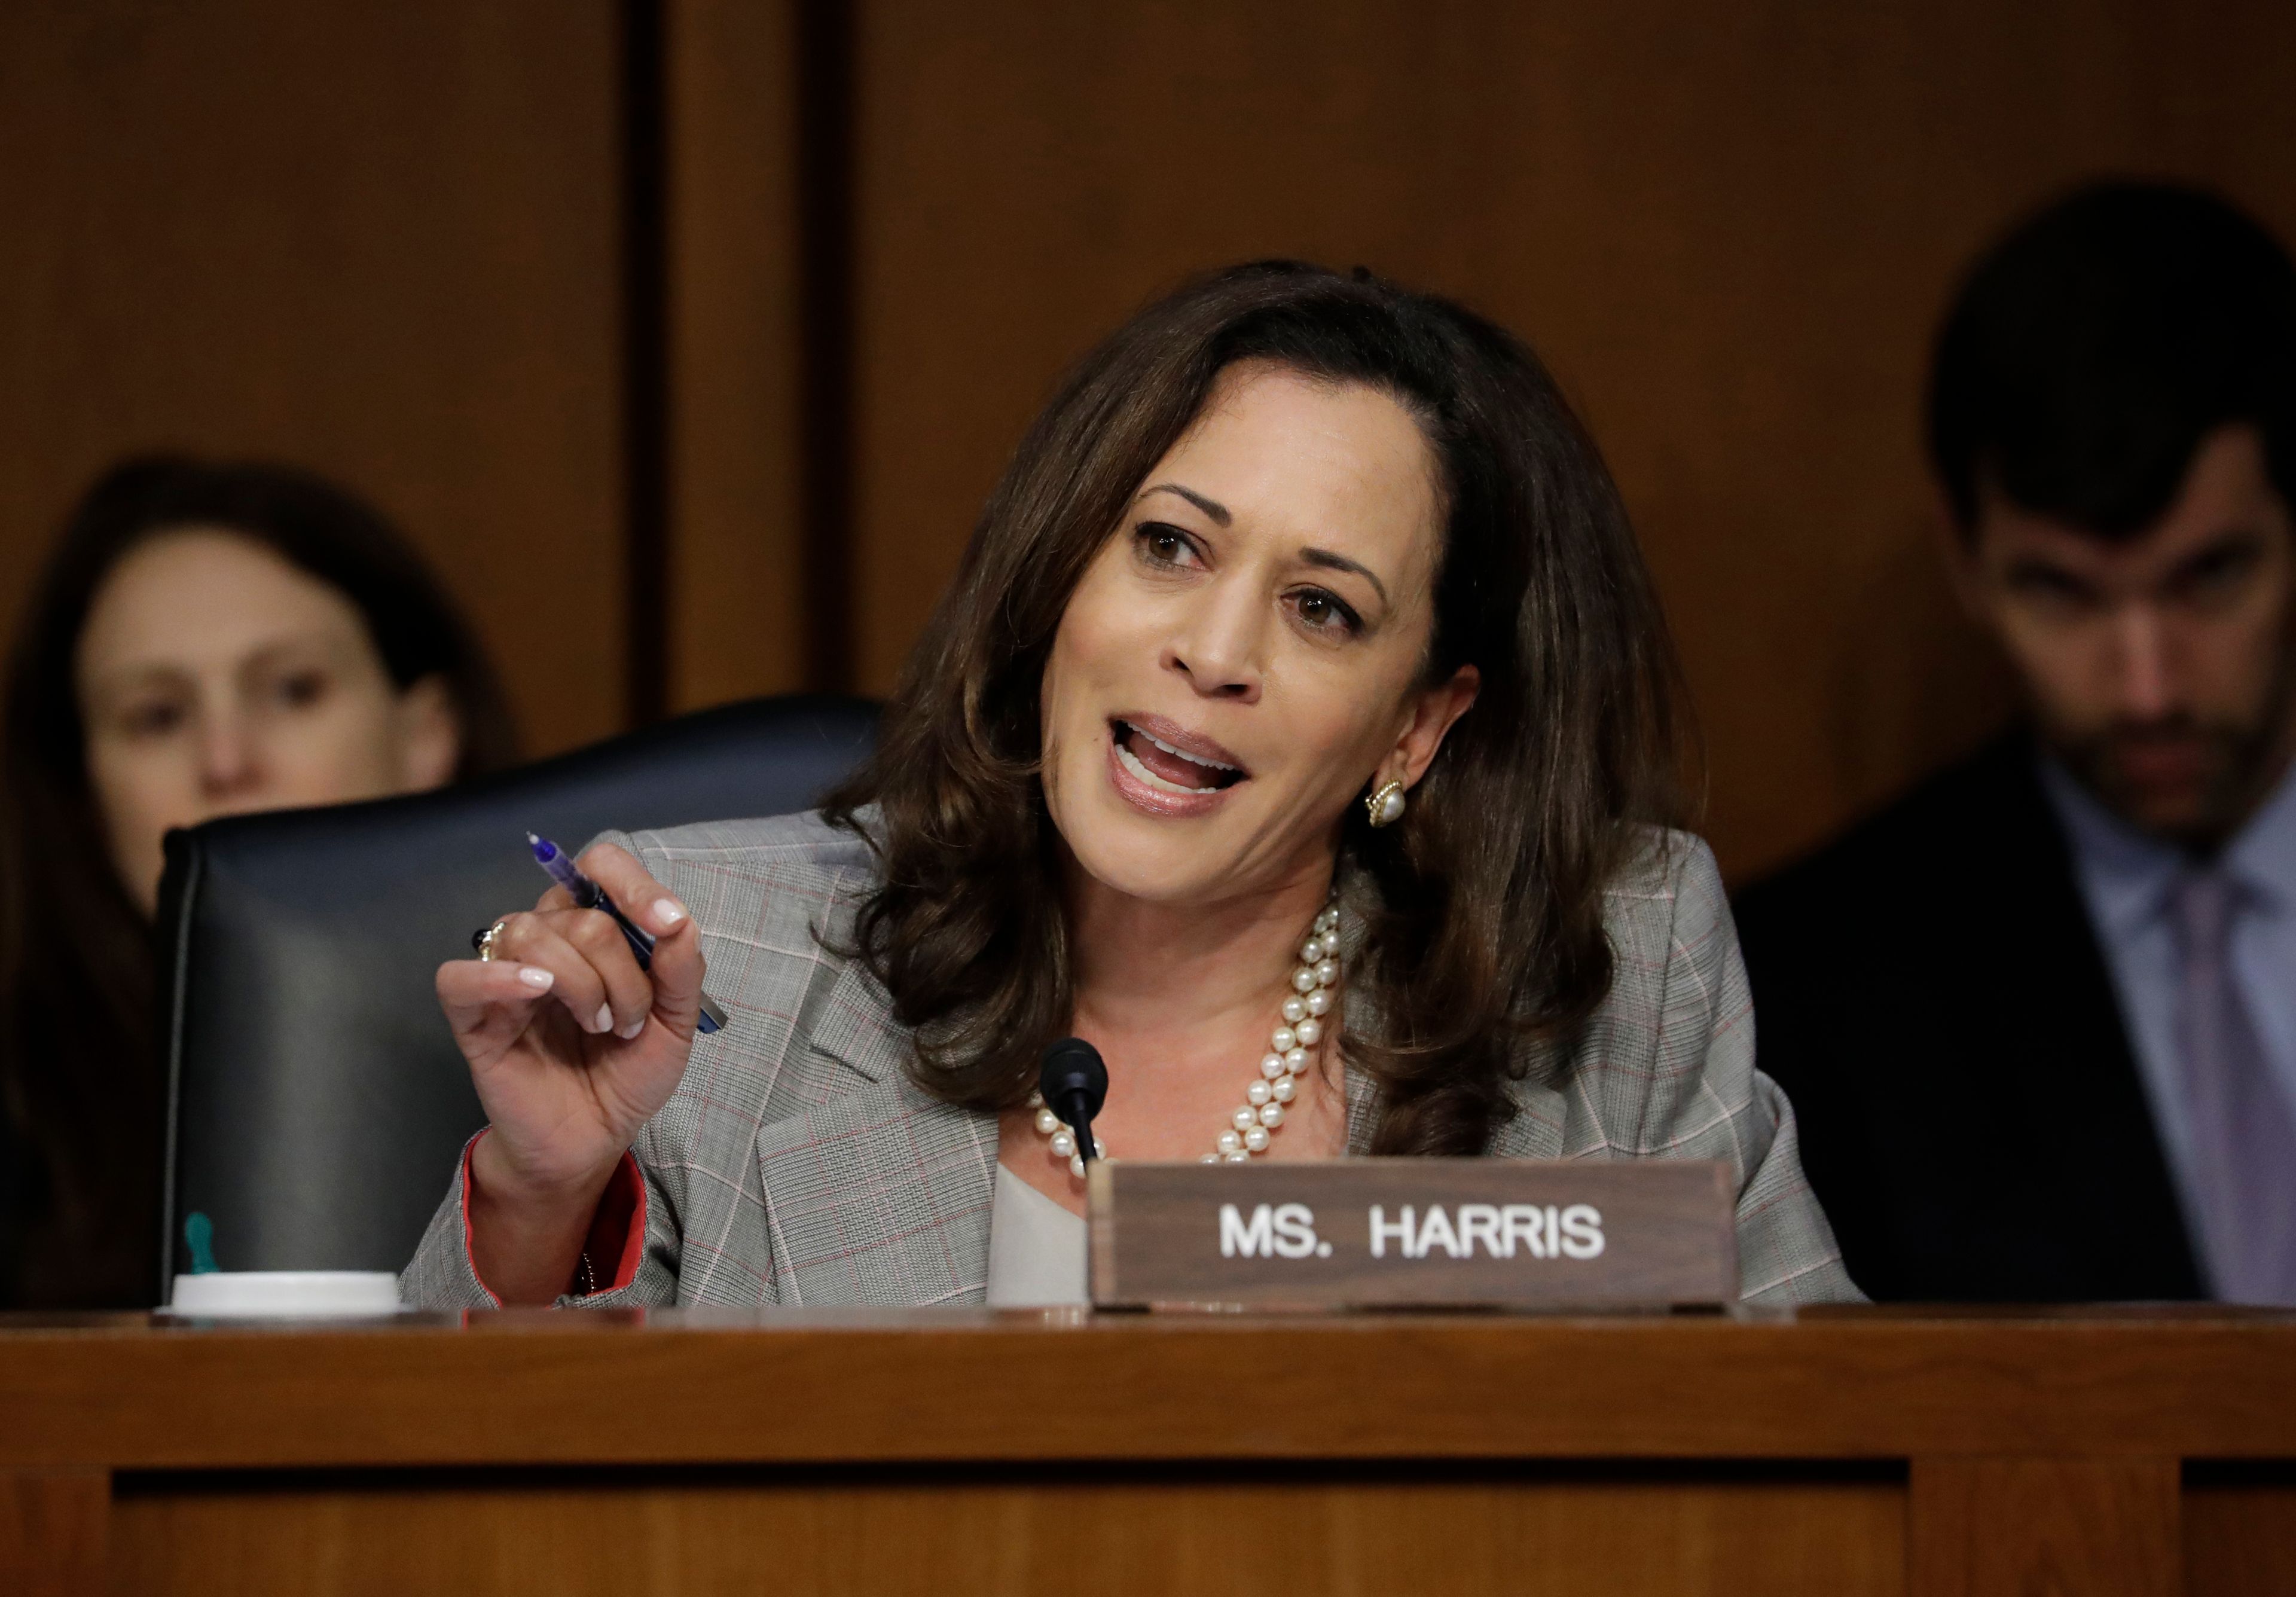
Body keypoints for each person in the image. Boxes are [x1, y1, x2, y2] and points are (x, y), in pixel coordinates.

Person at [405, 262, 1854, 1311]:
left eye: (1322, 609)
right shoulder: (716, 967)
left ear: (1416, 726)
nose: (1212, 652)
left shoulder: (1608, 980)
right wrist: (542, 1204)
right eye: (1171, 545)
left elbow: (1831, 1464)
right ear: (1061, 576)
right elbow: (427, 1518)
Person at [1735, 182, 2296, 1303]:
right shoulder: (1807, 997)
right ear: (1965, 557)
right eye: (2062, 594)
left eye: (2210, 578)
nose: (2147, 689)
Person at [0, 456, 518, 1308]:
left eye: (292, 689)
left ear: (428, 735)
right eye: (157, 716)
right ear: (85, 796)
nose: (226, 761)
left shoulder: (588, 1062)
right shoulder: (23, 1128)